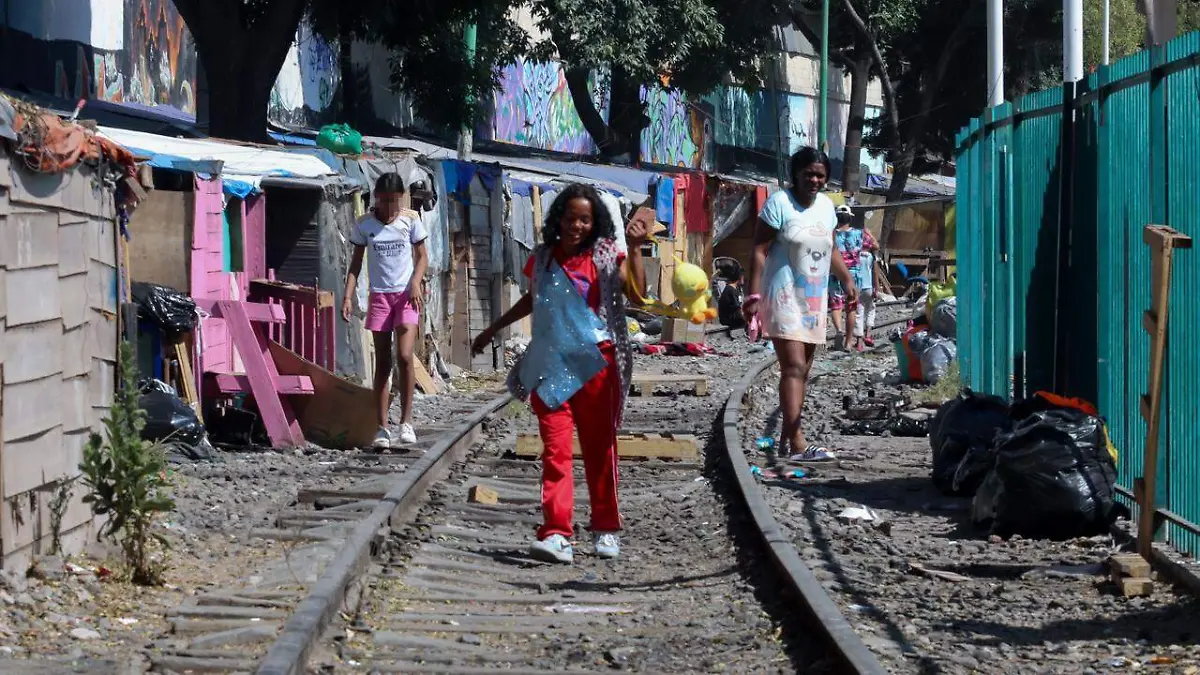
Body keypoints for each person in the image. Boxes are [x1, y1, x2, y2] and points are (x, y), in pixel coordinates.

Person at [470, 183, 650, 564]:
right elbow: (531, 300)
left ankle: (605, 529)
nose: (577, 226)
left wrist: (635, 249)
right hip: (550, 366)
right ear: (559, 220)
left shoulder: (604, 256)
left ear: (595, 222)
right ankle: (557, 533)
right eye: (571, 218)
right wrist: (491, 329)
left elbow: (635, 293)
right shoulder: (544, 259)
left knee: (600, 450)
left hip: (595, 365)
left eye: (585, 219)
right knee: (555, 452)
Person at [742, 148, 858, 462]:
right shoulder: (779, 203)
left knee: (803, 371)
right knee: (792, 368)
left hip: (814, 300)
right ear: (796, 173)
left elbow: (830, 247)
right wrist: (752, 296)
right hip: (782, 297)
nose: (815, 180)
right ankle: (798, 443)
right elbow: (759, 250)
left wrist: (847, 281)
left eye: (820, 175)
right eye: (809, 173)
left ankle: (785, 439)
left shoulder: (826, 207)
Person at [342, 173, 428, 450]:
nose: (390, 206)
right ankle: (382, 428)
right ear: (376, 198)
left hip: (406, 295)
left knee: (404, 355)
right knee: (383, 363)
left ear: (401, 198)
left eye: (394, 200)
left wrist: (416, 282)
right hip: (380, 297)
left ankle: (406, 422)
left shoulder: (410, 220)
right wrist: (348, 296)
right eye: (385, 200)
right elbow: (355, 264)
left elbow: (422, 256)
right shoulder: (365, 225)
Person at [830, 203, 861, 348]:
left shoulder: (832, 233)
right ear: (850, 219)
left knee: (836, 305)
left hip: (835, 272)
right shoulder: (858, 233)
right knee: (851, 307)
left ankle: (839, 330)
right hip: (853, 273)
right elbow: (870, 246)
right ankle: (848, 343)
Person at [852, 220, 881, 351]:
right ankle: (868, 334)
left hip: (857, 287)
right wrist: (877, 288)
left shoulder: (854, 255)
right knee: (871, 309)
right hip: (869, 288)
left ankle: (859, 342)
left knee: (859, 313)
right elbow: (875, 273)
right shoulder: (871, 257)